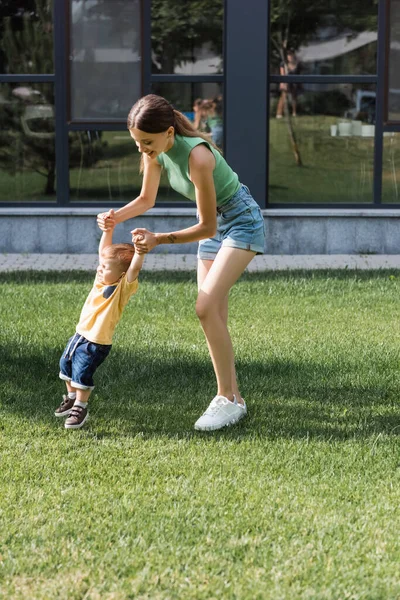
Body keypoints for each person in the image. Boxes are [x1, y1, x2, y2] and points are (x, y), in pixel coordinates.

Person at [97, 94, 265, 432]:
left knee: (205, 307)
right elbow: (147, 198)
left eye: (147, 142)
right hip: (216, 225)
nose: (141, 150)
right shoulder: (156, 152)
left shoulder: (198, 157)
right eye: (137, 143)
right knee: (214, 313)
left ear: (169, 133)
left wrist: (159, 239)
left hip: (241, 221)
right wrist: (114, 218)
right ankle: (235, 400)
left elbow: (207, 227)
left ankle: (225, 398)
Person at [54, 211, 144, 429]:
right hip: (80, 334)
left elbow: (134, 269)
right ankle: (72, 398)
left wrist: (140, 251)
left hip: (96, 342)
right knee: (65, 366)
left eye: (106, 268)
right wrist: (108, 230)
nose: (100, 268)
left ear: (121, 275)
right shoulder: (101, 281)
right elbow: (104, 254)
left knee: (82, 372)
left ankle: (81, 407)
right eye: (101, 266)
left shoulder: (122, 288)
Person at [276, 50, 300, 119]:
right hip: (286, 82)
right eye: (289, 56)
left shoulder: (296, 63)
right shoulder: (283, 64)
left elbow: (298, 73)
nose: (290, 57)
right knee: (283, 97)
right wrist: (283, 83)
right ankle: (279, 113)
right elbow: (282, 74)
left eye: (291, 55)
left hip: (293, 82)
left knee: (294, 98)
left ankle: (294, 113)